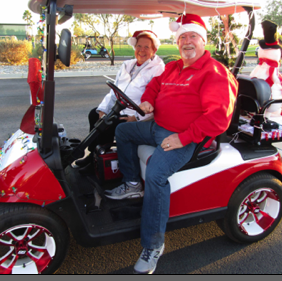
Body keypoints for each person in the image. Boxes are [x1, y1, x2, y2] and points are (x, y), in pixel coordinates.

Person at [105, 14, 239, 274]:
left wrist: (183, 137)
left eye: (192, 37)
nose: (187, 42)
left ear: (203, 40)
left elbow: (218, 118)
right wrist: (147, 101)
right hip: (158, 127)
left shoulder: (214, 73)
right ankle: (132, 184)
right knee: (123, 131)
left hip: (187, 138)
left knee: (156, 174)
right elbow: (155, 85)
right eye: (182, 38)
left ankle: (153, 245)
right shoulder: (174, 67)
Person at [74, 30, 165, 173]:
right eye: (139, 46)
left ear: (154, 50)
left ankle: (99, 160)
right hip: (120, 108)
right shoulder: (127, 65)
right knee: (94, 114)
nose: (141, 50)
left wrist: (136, 117)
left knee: (109, 124)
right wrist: (103, 109)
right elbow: (114, 91)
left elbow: (157, 102)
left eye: (147, 47)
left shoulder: (158, 70)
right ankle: (94, 154)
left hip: (137, 115)